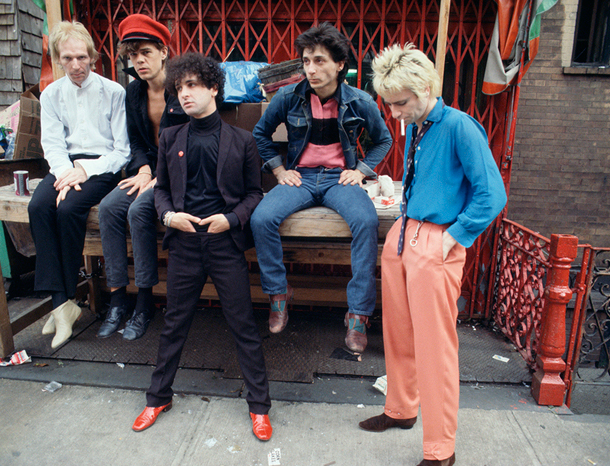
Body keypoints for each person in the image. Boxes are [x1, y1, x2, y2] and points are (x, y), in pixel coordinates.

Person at [358, 44, 507, 466]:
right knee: (399, 334)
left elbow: (491, 194)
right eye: (389, 103)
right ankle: (401, 409)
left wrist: (453, 237)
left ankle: (440, 450)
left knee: (436, 348)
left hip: (435, 241)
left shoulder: (459, 126)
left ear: (425, 88)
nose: (394, 112)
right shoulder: (418, 125)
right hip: (404, 236)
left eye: (400, 102)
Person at [131, 53, 272, 441]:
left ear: (213, 88)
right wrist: (168, 217)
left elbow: (255, 193)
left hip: (225, 243)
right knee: (174, 323)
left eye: (193, 85)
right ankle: (158, 396)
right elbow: (160, 189)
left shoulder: (242, 140)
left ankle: (259, 406)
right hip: (185, 244)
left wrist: (232, 219)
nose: (185, 94)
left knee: (243, 324)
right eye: (180, 87)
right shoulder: (172, 137)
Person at [251, 22, 392, 352]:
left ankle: (357, 315)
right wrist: (279, 169)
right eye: (306, 61)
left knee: (367, 222)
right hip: (299, 177)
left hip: (338, 179)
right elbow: (261, 133)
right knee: (261, 219)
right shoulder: (288, 96)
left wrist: (361, 171)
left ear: (340, 64)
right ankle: (278, 293)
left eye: (319, 61)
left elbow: (382, 139)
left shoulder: (359, 101)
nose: (310, 69)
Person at [29, 21, 129, 349]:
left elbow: (121, 151)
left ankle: (64, 301)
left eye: (82, 57)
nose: (76, 65)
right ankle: (62, 304)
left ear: (93, 57)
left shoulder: (113, 91)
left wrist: (85, 170)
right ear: (58, 58)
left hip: (103, 168)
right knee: (39, 206)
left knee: (69, 209)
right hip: (66, 166)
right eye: (68, 58)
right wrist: (64, 173)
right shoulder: (52, 94)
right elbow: (53, 144)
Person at [96, 14, 189, 340]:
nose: (139, 61)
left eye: (146, 52)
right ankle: (118, 299)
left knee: (138, 211)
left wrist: (159, 176)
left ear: (164, 51)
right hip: (147, 172)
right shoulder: (132, 92)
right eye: (133, 55)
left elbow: (192, 143)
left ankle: (145, 301)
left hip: (179, 176)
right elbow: (135, 140)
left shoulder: (183, 89)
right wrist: (145, 169)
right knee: (109, 208)